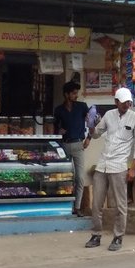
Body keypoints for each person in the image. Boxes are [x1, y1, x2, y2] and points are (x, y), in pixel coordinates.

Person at [85, 88, 135, 251]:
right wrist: (90, 126)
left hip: (119, 165)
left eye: (128, 102)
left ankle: (118, 236)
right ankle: (96, 234)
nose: (127, 105)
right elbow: (97, 134)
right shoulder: (109, 115)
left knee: (120, 204)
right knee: (96, 203)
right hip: (103, 164)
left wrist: (133, 169)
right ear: (116, 102)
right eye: (123, 102)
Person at [54, 81, 90, 217]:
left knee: (80, 178)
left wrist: (89, 138)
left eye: (77, 93)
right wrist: (59, 131)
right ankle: (63, 204)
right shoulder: (59, 110)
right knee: (64, 176)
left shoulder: (82, 107)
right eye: (74, 93)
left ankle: (77, 206)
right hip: (64, 145)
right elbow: (54, 128)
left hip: (79, 144)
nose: (76, 95)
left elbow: (92, 122)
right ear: (66, 94)